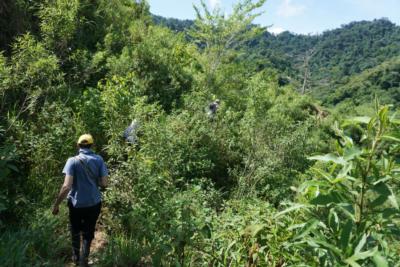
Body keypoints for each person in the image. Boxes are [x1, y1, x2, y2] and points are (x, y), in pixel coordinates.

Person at [52, 134, 108, 266]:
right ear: (92, 146)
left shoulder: (72, 161)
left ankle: (76, 259)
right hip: (94, 203)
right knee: (88, 232)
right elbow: (105, 183)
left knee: (75, 231)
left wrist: (56, 204)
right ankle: (84, 260)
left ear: (78, 146)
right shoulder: (99, 159)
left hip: (76, 204)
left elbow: (66, 186)